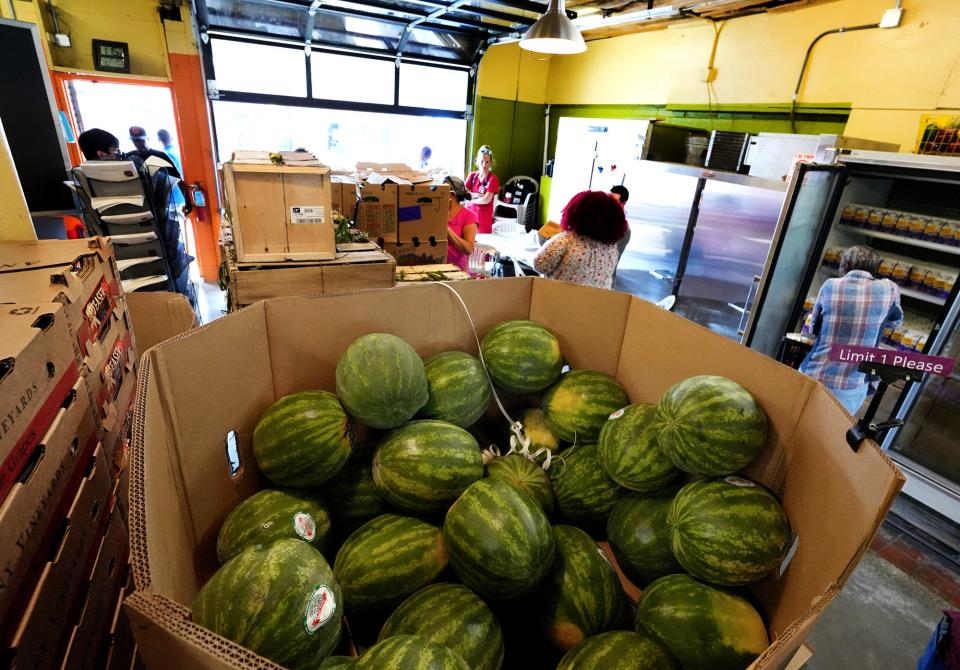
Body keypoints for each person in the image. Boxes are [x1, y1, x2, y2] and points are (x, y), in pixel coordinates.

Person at [799, 245, 904, 414]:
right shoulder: (889, 289)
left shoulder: (829, 285)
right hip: (852, 384)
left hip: (814, 373)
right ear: (875, 269)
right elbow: (896, 322)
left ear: (845, 266)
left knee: (797, 420)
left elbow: (814, 328)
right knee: (831, 431)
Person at [533, 190, 627, 289]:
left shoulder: (566, 240)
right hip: (595, 302)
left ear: (576, 213)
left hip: (561, 299)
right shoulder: (612, 249)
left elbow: (539, 265)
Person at [127, 125, 191, 215]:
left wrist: (188, 202)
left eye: (140, 140)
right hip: (140, 203)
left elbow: (178, 179)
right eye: (134, 140)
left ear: (147, 139)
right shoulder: (129, 157)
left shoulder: (160, 156)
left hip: (161, 203)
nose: (137, 143)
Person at [444, 176, 478, 272]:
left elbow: (468, 249)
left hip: (457, 272)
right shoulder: (437, 213)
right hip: (436, 268)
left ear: (451, 195)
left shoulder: (469, 216)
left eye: (442, 192)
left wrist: (447, 230)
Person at [465, 145, 500, 234]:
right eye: (481, 161)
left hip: (483, 219)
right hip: (469, 216)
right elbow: (464, 193)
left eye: (487, 162)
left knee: (483, 245)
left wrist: (470, 199)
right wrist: (475, 195)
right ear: (477, 161)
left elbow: (486, 200)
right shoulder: (472, 176)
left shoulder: (493, 179)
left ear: (491, 162)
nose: (484, 165)